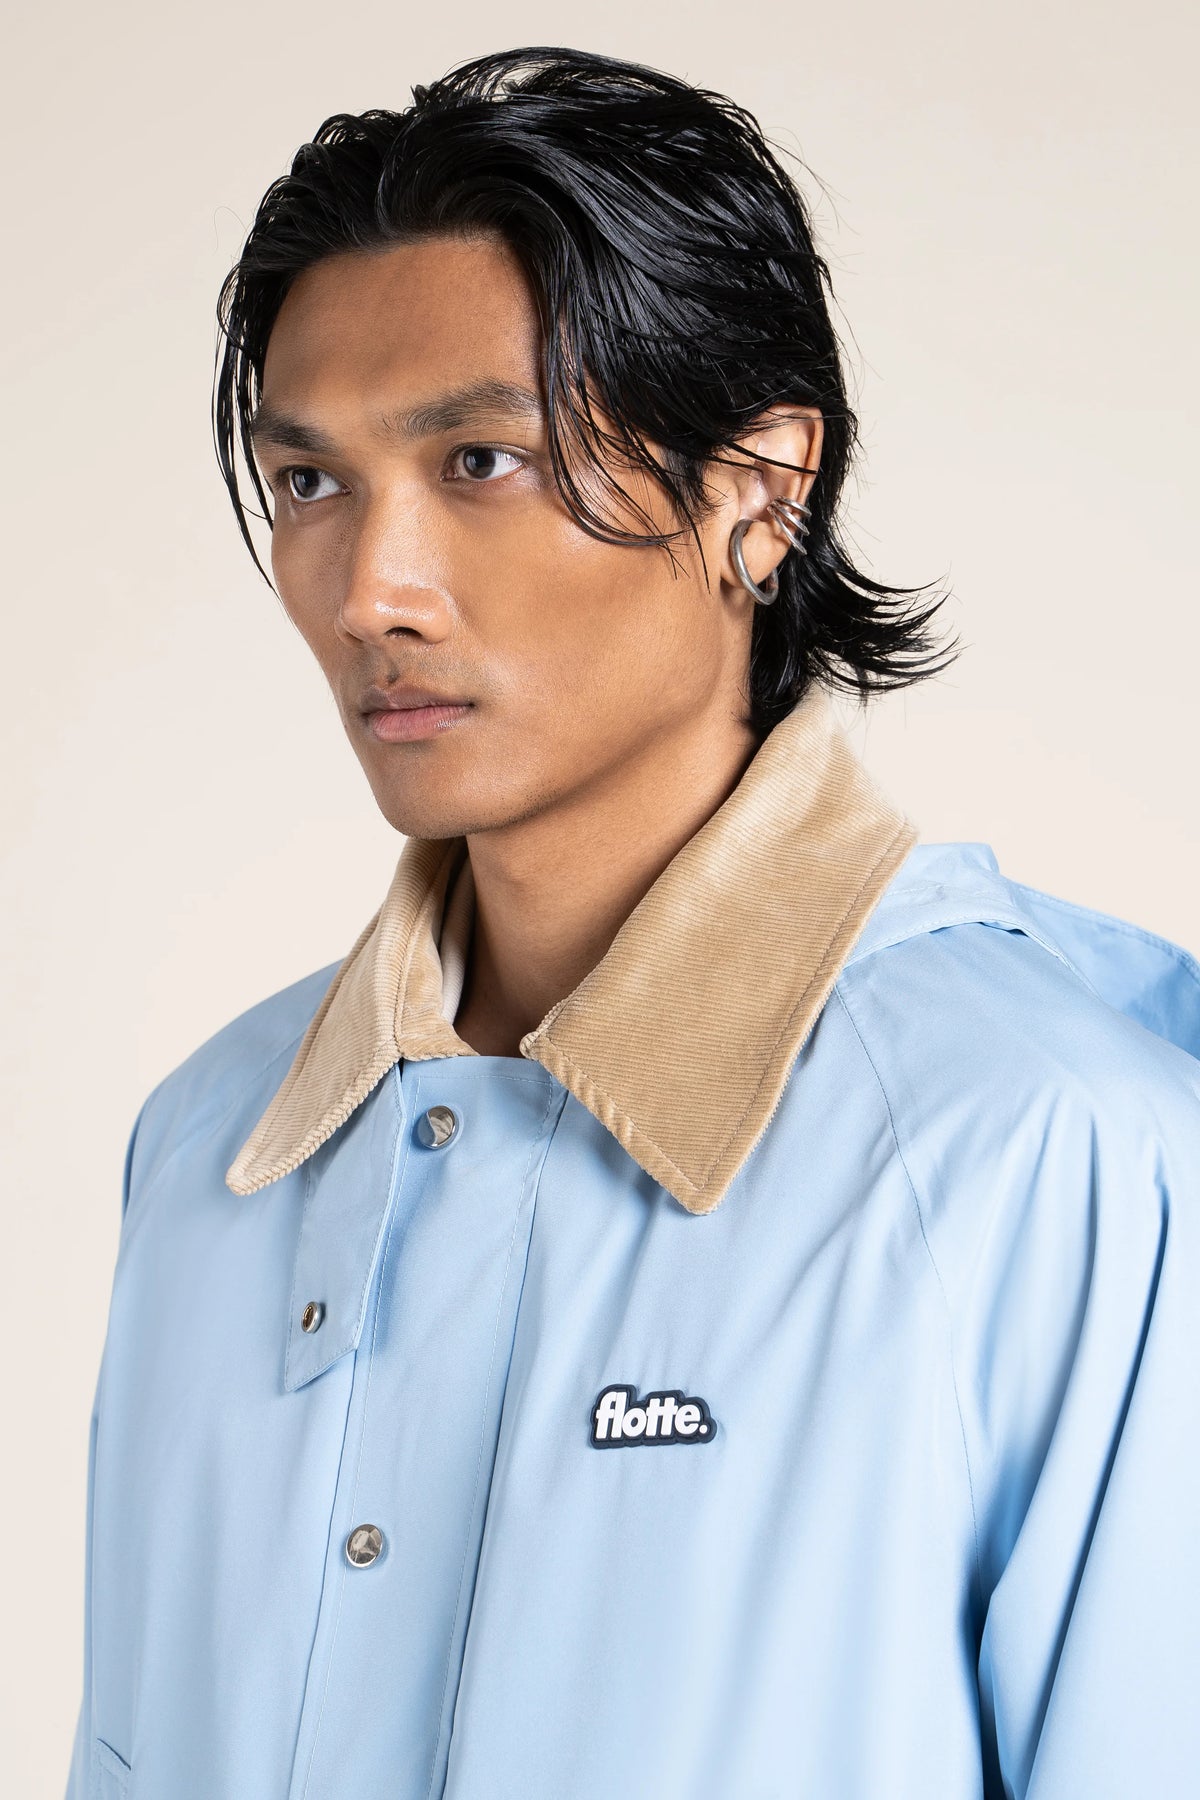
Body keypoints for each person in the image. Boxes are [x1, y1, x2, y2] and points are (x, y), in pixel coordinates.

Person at [66, 43, 1200, 1800]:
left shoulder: (1057, 1152)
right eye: (311, 484)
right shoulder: (209, 1153)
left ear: (758, 490)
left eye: (481, 460)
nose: (372, 591)